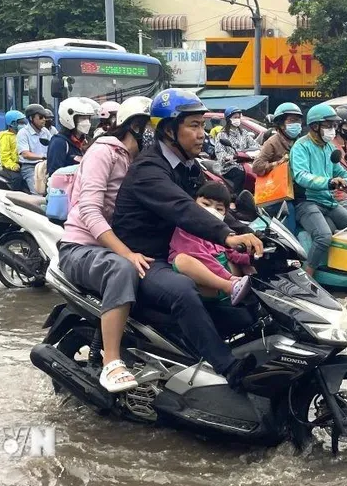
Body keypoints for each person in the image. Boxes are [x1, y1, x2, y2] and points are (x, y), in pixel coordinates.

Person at [110, 89, 262, 389]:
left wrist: (251, 233)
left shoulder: (189, 166)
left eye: (203, 125)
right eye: (193, 125)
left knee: (253, 289)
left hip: (183, 252)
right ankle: (228, 368)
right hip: (149, 258)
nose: (202, 134)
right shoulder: (149, 170)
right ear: (169, 129)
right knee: (183, 290)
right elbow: (183, 208)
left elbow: (216, 208)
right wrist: (228, 237)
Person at [58, 96, 154, 393]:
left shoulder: (143, 162)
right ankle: (112, 361)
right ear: (136, 126)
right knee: (123, 268)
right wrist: (125, 253)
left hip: (111, 245)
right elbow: (89, 210)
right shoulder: (105, 152)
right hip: (81, 248)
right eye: (152, 128)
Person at [290, 103, 347, 276]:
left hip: (328, 200)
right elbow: (301, 175)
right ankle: (307, 277)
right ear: (314, 126)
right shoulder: (301, 146)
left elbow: (339, 171)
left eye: (334, 125)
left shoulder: (329, 148)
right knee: (323, 236)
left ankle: (339, 269)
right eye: (328, 125)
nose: (332, 129)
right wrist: (329, 182)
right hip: (307, 202)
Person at [169, 181, 253, 305]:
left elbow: (231, 252)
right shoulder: (186, 228)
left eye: (218, 209)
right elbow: (201, 257)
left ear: (225, 214)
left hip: (226, 276)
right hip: (206, 281)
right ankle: (230, 287)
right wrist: (228, 278)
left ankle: (254, 286)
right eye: (206, 204)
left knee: (245, 261)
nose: (211, 211)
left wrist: (251, 257)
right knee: (182, 260)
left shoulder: (220, 232)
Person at [213, 107, 260, 193]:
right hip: (229, 166)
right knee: (240, 174)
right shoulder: (222, 135)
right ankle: (234, 198)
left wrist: (258, 150)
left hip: (246, 163)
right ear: (228, 119)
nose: (237, 119)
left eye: (238, 117)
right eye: (235, 117)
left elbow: (255, 145)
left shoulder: (244, 133)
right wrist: (227, 157)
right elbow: (219, 152)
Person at [48, 97, 97, 177]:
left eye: (88, 118)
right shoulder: (59, 143)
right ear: (69, 118)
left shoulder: (86, 141)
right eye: (82, 118)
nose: (87, 122)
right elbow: (54, 174)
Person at [252, 102, 303, 176]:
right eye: (292, 120)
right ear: (281, 124)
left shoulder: (301, 142)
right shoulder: (272, 143)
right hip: (280, 184)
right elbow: (256, 167)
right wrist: (278, 163)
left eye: (298, 120)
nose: (297, 123)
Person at [0, 110, 27, 191]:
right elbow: (4, 156)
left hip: (24, 163)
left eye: (24, 122)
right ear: (12, 123)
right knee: (17, 178)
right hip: (10, 165)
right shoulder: (5, 137)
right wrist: (13, 165)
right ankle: (15, 198)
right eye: (21, 122)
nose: (23, 124)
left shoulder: (23, 134)